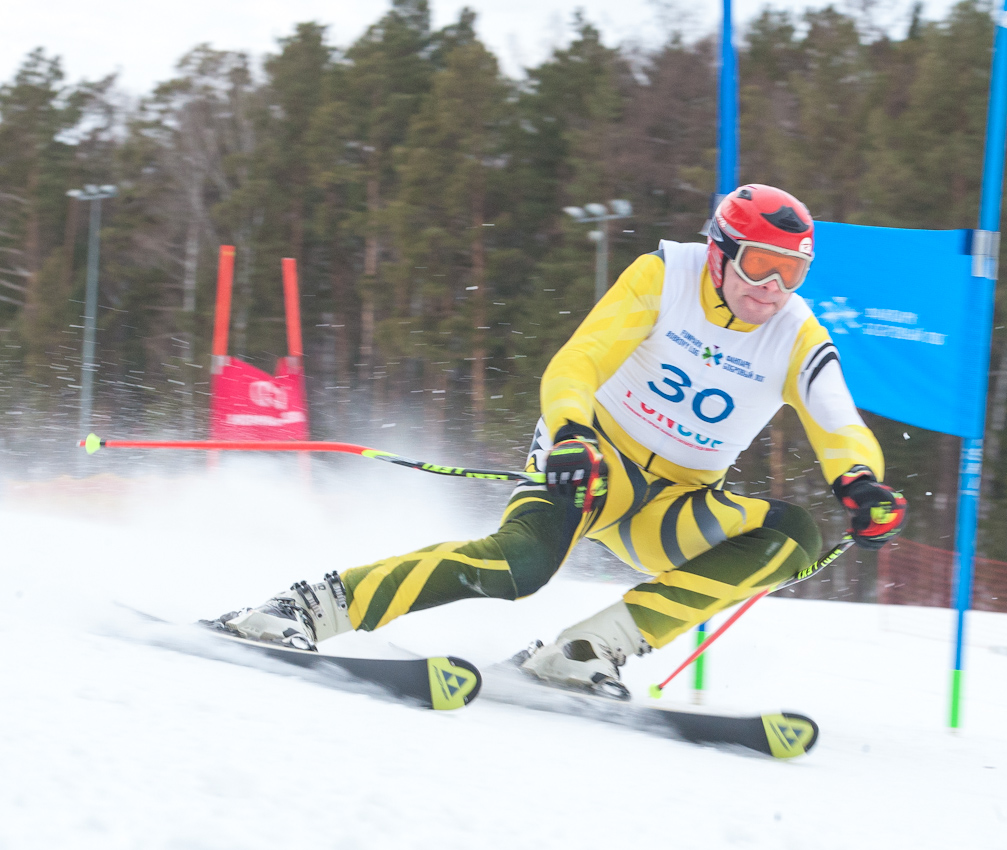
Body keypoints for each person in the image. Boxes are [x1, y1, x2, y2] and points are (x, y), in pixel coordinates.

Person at [211, 184, 908, 699]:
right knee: (520, 565)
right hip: (595, 462)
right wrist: (572, 432)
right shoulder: (667, 275)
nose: (772, 288)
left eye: (792, 272)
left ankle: (584, 652)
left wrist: (861, 484)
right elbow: (580, 360)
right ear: (720, 252)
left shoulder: (795, 332)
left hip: (678, 502)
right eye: (759, 264)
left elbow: (838, 420)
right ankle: (304, 607)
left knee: (794, 536)